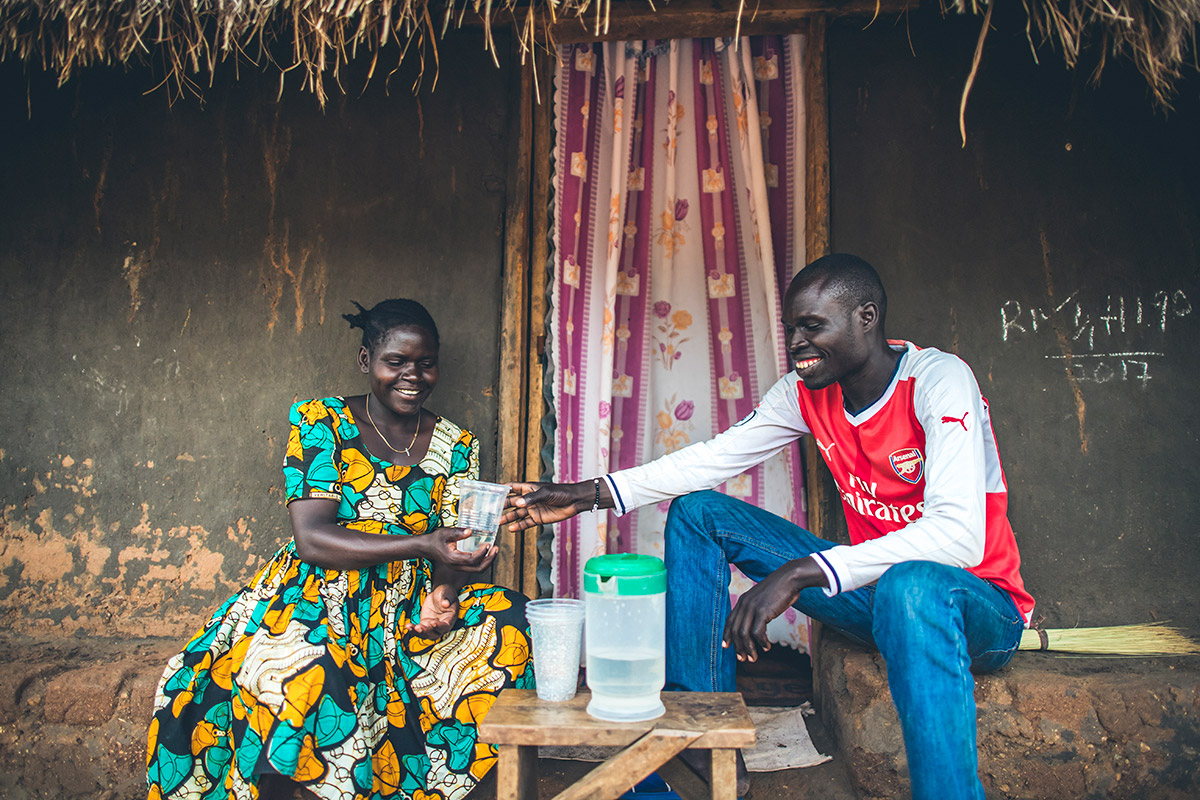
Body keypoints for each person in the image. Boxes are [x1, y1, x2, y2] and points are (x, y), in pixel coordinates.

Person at [504, 254, 1034, 800]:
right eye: (790, 330)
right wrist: (588, 493)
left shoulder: (940, 381)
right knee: (698, 512)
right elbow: (711, 459)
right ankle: (700, 742)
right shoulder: (804, 394)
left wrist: (802, 571)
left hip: (973, 606)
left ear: (866, 317)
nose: (797, 344)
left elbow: (959, 535)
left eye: (813, 326)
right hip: (875, 596)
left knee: (912, 583)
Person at [148, 299, 534, 800]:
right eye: (395, 362)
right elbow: (312, 539)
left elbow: (451, 546)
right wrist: (421, 542)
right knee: (310, 665)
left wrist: (448, 587)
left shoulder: (457, 443)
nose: (411, 375)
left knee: (514, 619)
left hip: (409, 606)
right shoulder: (322, 421)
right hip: (318, 595)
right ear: (365, 360)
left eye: (425, 362)